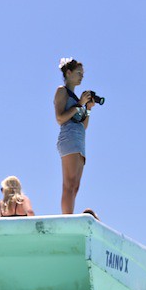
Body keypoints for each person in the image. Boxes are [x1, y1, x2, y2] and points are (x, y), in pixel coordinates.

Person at [54, 58, 98, 215]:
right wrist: (79, 103)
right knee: (69, 184)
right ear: (68, 72)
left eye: (83, 73)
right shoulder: (62, 91)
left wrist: (88, 108)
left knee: (75, 186)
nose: (81, 76)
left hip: (79, 140)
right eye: (79, 72)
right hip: (69, 138)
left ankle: (69, 215)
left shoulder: (76, 98)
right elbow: (60, 118)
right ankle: (67, 218)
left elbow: (83, 125)